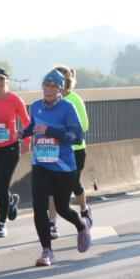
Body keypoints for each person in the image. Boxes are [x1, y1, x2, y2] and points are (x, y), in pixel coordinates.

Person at [21, 70, 90, 267]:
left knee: (62, 208)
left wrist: (51, 131)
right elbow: (33, 126)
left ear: (60, 89)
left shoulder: (67, 108)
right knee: (39, 207)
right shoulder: (35, 106)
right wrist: (22, 133)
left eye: (53, 86)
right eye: (46, 85)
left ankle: (81, 225)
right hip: (41, 163)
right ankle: (47, 251)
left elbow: (77, 137)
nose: (49, 90)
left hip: (64, 166)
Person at [0, 67, 29, 238]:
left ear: (6, 82)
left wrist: (26, 141)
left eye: (1, 80)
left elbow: (26, 121)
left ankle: (1, 225)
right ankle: (11, 200)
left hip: (10, 147)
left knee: (2, 186)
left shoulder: (14, 100)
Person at [47, 66, 92, 233]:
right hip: (55, 150)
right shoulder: (49, 101)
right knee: (52, 188)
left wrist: (62, 131)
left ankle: (84, 209)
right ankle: (52, 222)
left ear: (67, 82)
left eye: (59, 81)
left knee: (74, 185)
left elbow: (85, 126)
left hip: (75, 150)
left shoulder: (75, 100)